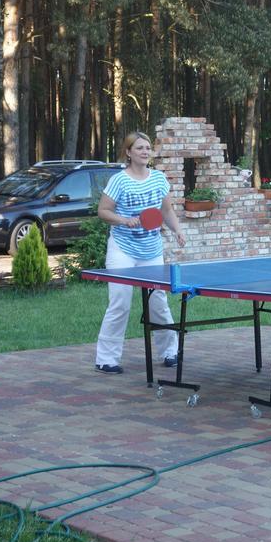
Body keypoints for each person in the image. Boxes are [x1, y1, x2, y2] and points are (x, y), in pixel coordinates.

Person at [94, 131, 186, 374]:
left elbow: (166, 211)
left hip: (151, 250)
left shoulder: (159, 179)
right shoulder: (119, 180)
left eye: (147, 148)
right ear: (128, 152)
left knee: (158, 301)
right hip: (122, 249)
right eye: (139, 148)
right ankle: (106, 359)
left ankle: (170, 352)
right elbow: (103, 211)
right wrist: (124, 220)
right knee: (120, 302)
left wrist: (177, 230)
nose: (145, 151)